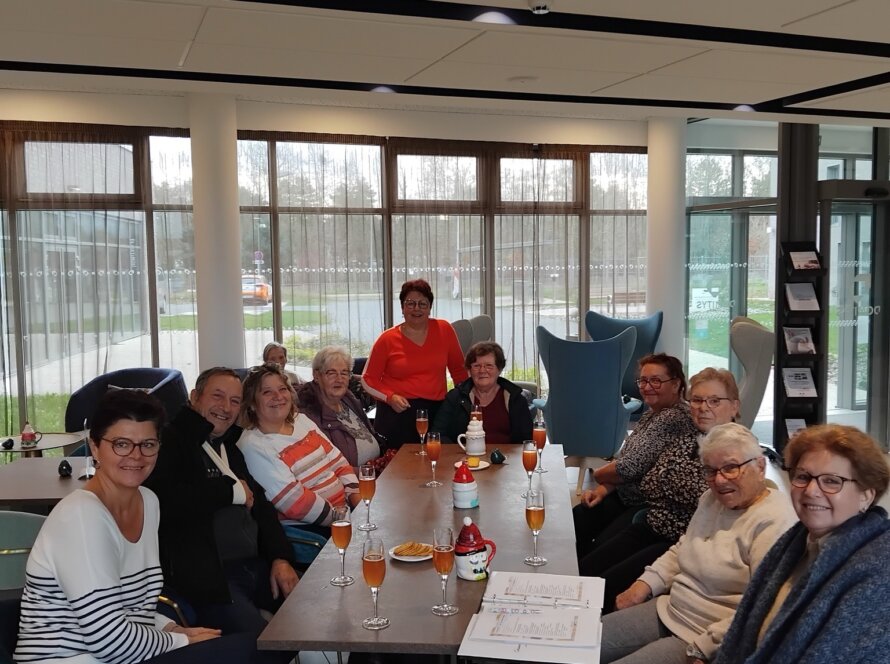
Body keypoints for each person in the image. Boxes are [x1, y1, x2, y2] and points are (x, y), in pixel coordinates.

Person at [16, 390, 252, 664]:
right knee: (251, 651)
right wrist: (181, 641)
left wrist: (170, 628)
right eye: (121, 444)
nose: (136, 456)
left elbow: (131, 608)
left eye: (148, 444)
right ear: (95, 447)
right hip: (72, 659)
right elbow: (108, 641)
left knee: (249, 648)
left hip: (123, 656)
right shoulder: (81, 516)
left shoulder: (148, 501)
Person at [599, 423, 797, 664]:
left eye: (731, 468)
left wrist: (706, 648)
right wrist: (645, 584)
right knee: (577, 640)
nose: (719, 480)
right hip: (670, 608)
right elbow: (684, 547)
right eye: (711, 470)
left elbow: (762, 607)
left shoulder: (775, 521)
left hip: (703, 636)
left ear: (760, 466)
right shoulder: (711, 499)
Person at [144, 367, 298, 664]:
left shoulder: (228, 445)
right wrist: (231, 491)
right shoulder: (169, 441)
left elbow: (262, 506)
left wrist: (281, 558)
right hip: (210, 579)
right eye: (217, 396)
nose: (226, 408)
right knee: (267, 646)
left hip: (257, 566)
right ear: (193, 398)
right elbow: (169, 499)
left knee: (320, 616)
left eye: (234, 401)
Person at [713, 424, 890, 664]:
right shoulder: (795, 544)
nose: (811, 491)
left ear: (866, 495)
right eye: (803, 477)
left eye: (831, 481)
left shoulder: (878, 573)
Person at [580, 368, 741, 609]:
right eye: (696, 400)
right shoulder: (688, 437)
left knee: (599, 590)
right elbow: (642, 473)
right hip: (651, 523)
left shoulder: (738, 453)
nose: (703, 407)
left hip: (679, 541)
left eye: (715, 401)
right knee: (583, 571)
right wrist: (605, 489)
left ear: (734, 406)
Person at [573, 353, 699, 559]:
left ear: (676, 384)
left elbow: (627, 468)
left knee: (595, 546)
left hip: (647, 505)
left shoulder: (672, 417)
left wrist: (598, 476)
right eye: (643, 380)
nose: (647, 387)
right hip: (625, 495)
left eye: (656, 381)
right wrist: (603, 490)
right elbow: (625, 460)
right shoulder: (651, 414)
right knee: (580, 517)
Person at [238, 362, 361, 539]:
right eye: (267, 392)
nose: (278, 396)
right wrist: (348, 521)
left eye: (282, 389)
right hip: (312, 532)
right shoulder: (254, 445)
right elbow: (296, 503)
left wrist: (358, 504)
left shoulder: (301, 421)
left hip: (344, 515)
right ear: (251, 403)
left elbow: (340, 464)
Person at [361, 278, 468, 446]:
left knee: (436, 462)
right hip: (397, 413)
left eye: (422, 304)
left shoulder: (445, 329)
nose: (416, 308)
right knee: (399, 468)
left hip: (436, 413)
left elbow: (459, 372)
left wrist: (464, 404)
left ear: (430, 307)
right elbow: (368, 380)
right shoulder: (387, 339)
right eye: (410, 303)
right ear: (402, 308)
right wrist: (390, 398)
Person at [296, 345, 385, 468]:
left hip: (375, 473)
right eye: (331, 373)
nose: (339, 379)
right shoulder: (310, 413)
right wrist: (367, 474)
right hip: (352, 482)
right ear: (317, 376)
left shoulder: (349, 400)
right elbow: (326, 467)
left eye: (344, 373)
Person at [432, 341, 533, 445]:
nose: (482, 370)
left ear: (499, 369)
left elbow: (527, 440)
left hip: (506, 459)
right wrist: (458, 454)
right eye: (476, 366)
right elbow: (437, 435)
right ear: (469, 370)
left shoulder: (515, 399)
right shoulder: (455, 398)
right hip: (466, 459)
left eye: (489, 366)